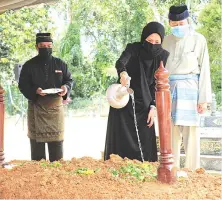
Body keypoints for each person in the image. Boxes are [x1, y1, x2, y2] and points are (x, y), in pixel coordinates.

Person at [104, 22, 169, 162]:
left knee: (144, 139)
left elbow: (156, 84)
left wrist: (153, 106)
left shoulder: (162, 56)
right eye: (149, 40)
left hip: (146, 104)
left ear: (161, 41)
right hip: (124, 99)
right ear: (143, 38)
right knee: (122, 138)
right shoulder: (133, 48)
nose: (153, 44)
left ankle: (144, 169)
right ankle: (119, 169)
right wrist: (123, 74)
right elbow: (121, 62)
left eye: (157, 42)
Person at [162, 5, 212, 170]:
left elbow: (204, 69)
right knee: (171, 133)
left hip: (191, 91)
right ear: (170, 23)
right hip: (169, 90)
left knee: (191, 135)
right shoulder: (166, 41)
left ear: (187, 21)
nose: (178, 27)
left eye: (181, 23)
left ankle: (192, 171)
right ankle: (172, 170)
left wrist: (203, 100)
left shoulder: (199, 39)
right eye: (174, 25)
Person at [19, 33, 73, 162]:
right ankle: (38, 176)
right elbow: (22, 85)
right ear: (37, 47)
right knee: (37, 151)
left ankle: (56, 176)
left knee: (57, 149)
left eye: (49, 46)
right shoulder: (29, 65)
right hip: (36, 107)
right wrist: (35, 90)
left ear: (52, 46)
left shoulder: (60, 64)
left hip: (55, 108)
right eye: (43, 46)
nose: (46, 48)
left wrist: (65, 88)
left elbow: (69, 80)